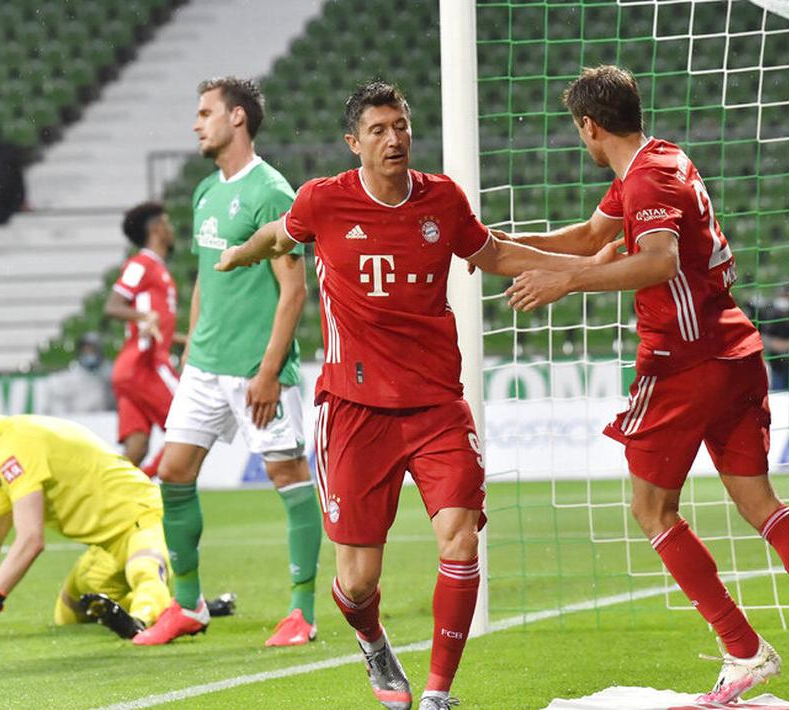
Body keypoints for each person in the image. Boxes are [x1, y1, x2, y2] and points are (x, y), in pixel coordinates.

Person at [216, 81, 606, 710]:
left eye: (400, 126)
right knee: (357, 581)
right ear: (354, 144)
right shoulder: (323, 202)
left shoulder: (443, 200)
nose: (394, 138)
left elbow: (496, 251)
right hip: (353, 410)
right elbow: (277, 238)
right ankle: (373, 642)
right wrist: (239, 252)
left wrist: (574, 270)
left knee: (459, 537)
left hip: (434, 406)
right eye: (379, 130)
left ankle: (438, 693)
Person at [502, 66, 789, 706]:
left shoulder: (645, 178)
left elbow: (656, 260)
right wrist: (499, 246)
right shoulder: (663, 159)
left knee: (651, 509)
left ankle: (743, 651)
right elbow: (592, 241)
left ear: (589, 126)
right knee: (761, 503)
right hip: (735, 349)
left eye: (580, 131)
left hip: (682, 361)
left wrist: (563, 281)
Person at [131, 77, 321, 648]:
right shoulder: (205, 193)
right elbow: (202, 281)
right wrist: (191, 352)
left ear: (237, 118)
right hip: (205, 366)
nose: (196, 123)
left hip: (256, 369)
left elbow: (294, 291)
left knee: (287, 475)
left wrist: (268, 371)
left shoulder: (272, 192)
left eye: (205, 113)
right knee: (174, 474)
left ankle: (302, 612)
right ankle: (187, 605)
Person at [0, 374, 171, 641]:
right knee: (70, 614)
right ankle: (178, 607)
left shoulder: (17, 444)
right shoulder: (4, 459)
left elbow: (31, 540)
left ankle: (148, 619)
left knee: (144, 572)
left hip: (146, 516)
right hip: (107, 545)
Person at [104, 201, 180, 477]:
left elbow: (160, 326)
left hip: (130, 369)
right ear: (158, 229)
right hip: (145, 364)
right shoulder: (141, 264)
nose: (172, 230)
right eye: (168, 223)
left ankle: (107, 497)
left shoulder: (156, 269)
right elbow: (112, 306)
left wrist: (189, 340)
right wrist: (144, 317)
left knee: (137, 446)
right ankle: (145, 485)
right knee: (189, 425)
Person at [44, 332, 114, 414]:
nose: (89, 354)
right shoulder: (69, 377)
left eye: (92, 350)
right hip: (76, 421)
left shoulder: (108, 373)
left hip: (102, 420)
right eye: (86, 350)